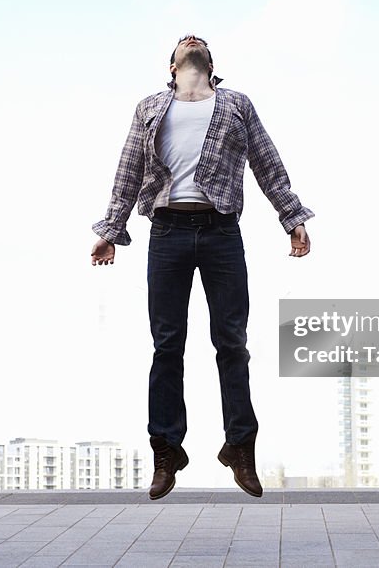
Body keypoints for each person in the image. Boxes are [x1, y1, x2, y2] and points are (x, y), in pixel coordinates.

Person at [90, 34, 313, 499]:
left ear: (210, 63)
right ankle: (167, 450)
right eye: (182, 42)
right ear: (171, 66)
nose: (191, 40)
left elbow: (267, 163)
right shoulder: (150, 107)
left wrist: (291, 217)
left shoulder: (236, 105)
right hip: (167, 233)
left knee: (232, 343)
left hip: (221, 233)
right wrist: (111, 229)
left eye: (199, 42)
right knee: (167, 346)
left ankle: (240, 447)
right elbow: (128, 168)